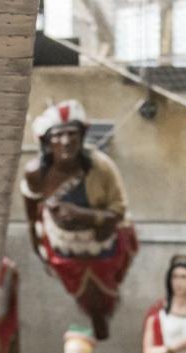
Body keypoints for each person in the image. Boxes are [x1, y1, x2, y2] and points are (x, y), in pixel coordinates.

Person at [21, 99, 137, 340]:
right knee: (82, 290)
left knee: (103, 289)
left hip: (101, 243)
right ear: (46, 141)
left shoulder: (101, 166)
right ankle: (94, 313)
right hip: (62, 245)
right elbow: (32, 217)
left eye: (72, 133)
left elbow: (119, 210)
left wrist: (84, 215)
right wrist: (37, 247)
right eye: (58, 135)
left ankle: (103, 313)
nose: (66, 141)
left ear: (82, 135)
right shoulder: (36, 173)